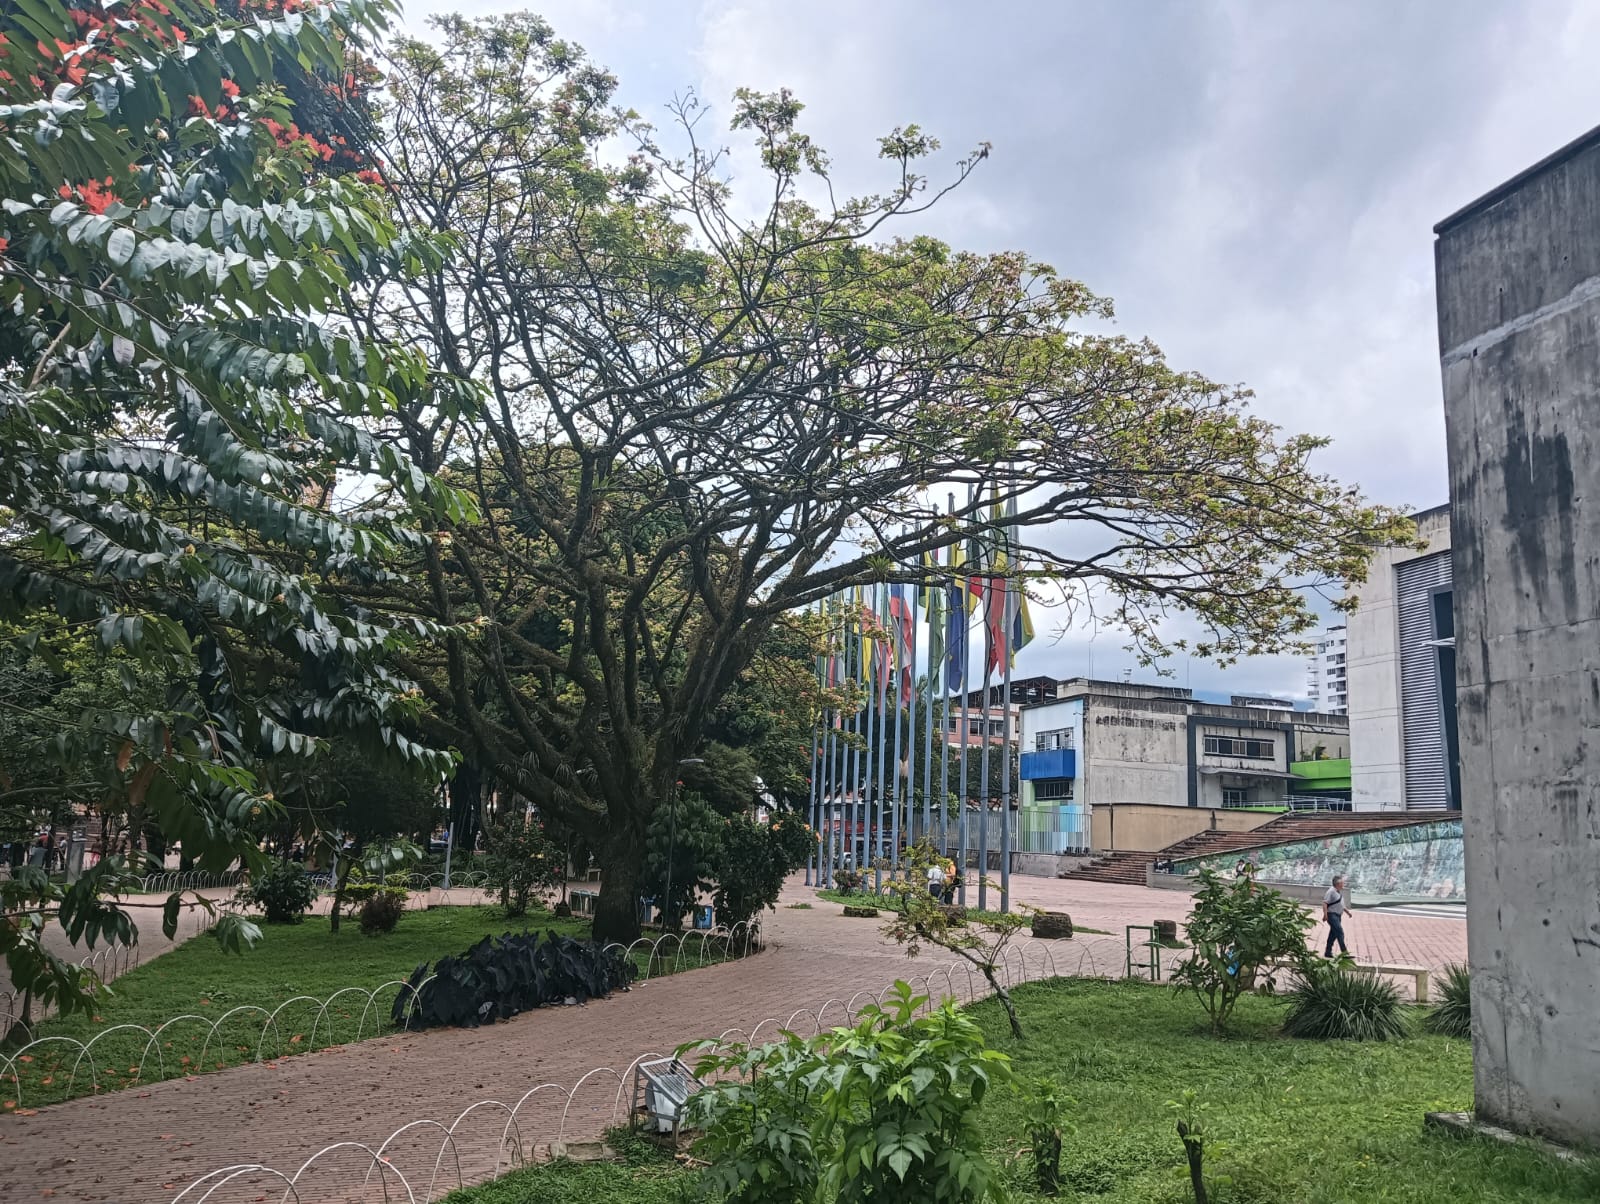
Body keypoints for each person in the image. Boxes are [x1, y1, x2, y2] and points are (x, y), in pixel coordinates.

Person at [1323, 874, 1351, 957]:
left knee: (1333, 934)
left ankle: (1328, 952)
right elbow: (1325, 903)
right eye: (1343, 883)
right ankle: (1344, 953)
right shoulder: (1331, 891)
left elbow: (1341, 904)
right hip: (1332, 915)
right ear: (1338, 884)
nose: (1344, 884)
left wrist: (1347, 912)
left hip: (1338, 916)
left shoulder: (1337, 892)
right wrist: (1325, 915)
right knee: (1340, 932)